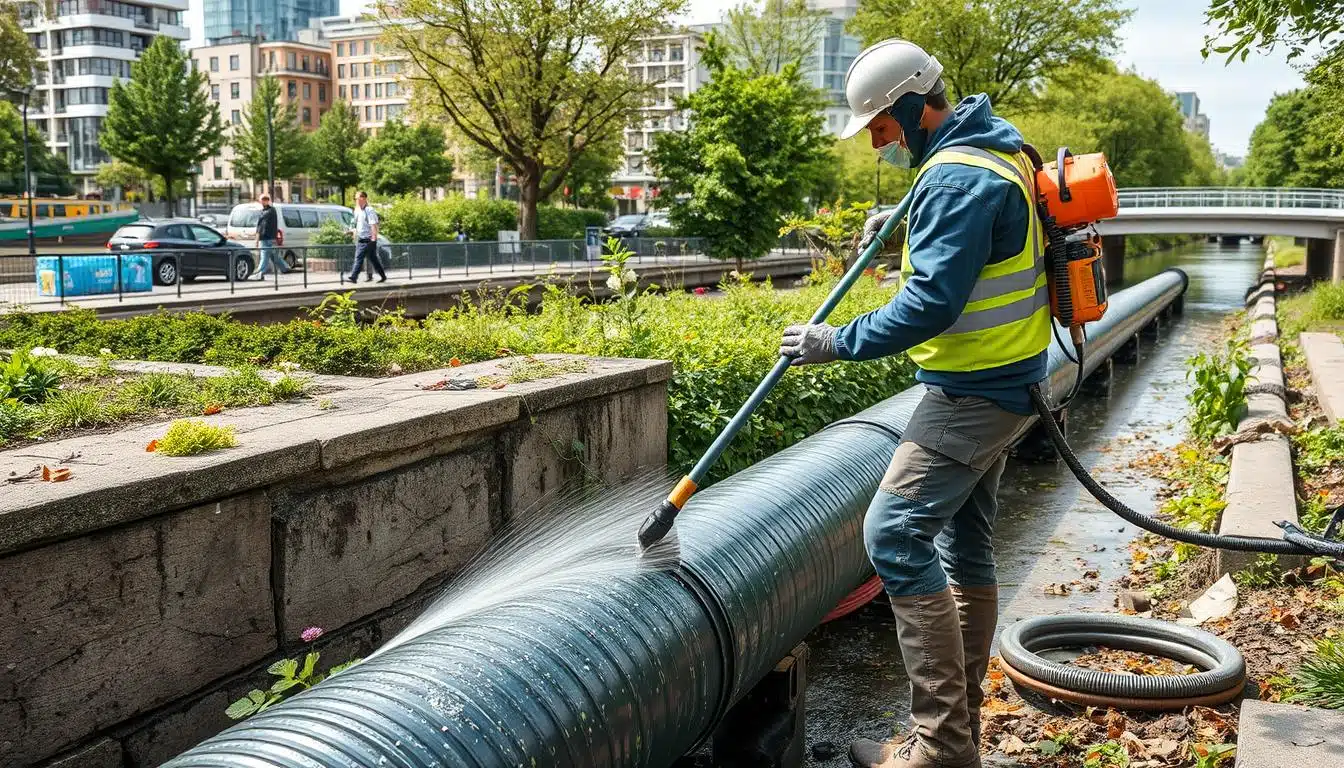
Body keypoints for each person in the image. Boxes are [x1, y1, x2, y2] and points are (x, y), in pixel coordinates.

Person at [779, 38, 1050, 768]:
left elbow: (930, 305)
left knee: (894, 535)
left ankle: (941, 751)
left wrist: (835, 340)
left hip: (973, 393)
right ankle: (953, 738)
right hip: (1013, 383)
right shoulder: (998, 151)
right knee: (965, 545)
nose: (877, 142)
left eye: (880, 126)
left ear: (909, 106)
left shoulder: (955, 180)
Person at [348, 190, 386, 283]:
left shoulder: (369, 210)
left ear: (363, 199)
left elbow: (373, 224)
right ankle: (383, 276)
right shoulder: (357, 210)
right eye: (355, 198)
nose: (356, 200)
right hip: (361, 239)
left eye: (357, 198)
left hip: (369, 239)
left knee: (360, 258)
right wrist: (352, 232)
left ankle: (354, 277)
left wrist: (373, 238)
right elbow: (356, 224)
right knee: (372, 259)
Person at [253, 193, 287, 280]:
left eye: (262, 200)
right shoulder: (265, 211)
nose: (261, 202)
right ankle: (285, 268)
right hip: (267, 237)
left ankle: (259, 273)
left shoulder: (270, 211)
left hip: (267, 237)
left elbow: (261, 226)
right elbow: (260, 226)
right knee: (273, 255)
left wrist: (257, 238)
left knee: (264, 255)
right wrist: (257, 239)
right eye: (260, 200)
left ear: (267, 201)